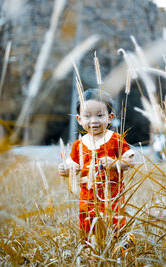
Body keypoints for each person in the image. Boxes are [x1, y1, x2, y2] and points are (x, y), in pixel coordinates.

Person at [58, 88, 135, 248]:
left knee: (114, 221)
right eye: (87, 116)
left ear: (110, 117)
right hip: (87, 197)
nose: (94, 121)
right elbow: (74, 166)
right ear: (79, 119)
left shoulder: (115, 139)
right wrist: (66, 169)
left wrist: (114, 163)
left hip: (112, 196)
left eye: (100, 115)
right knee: (87, 224)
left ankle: (121, 246)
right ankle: (90, 250)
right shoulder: (79, 145)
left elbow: (130, 161)